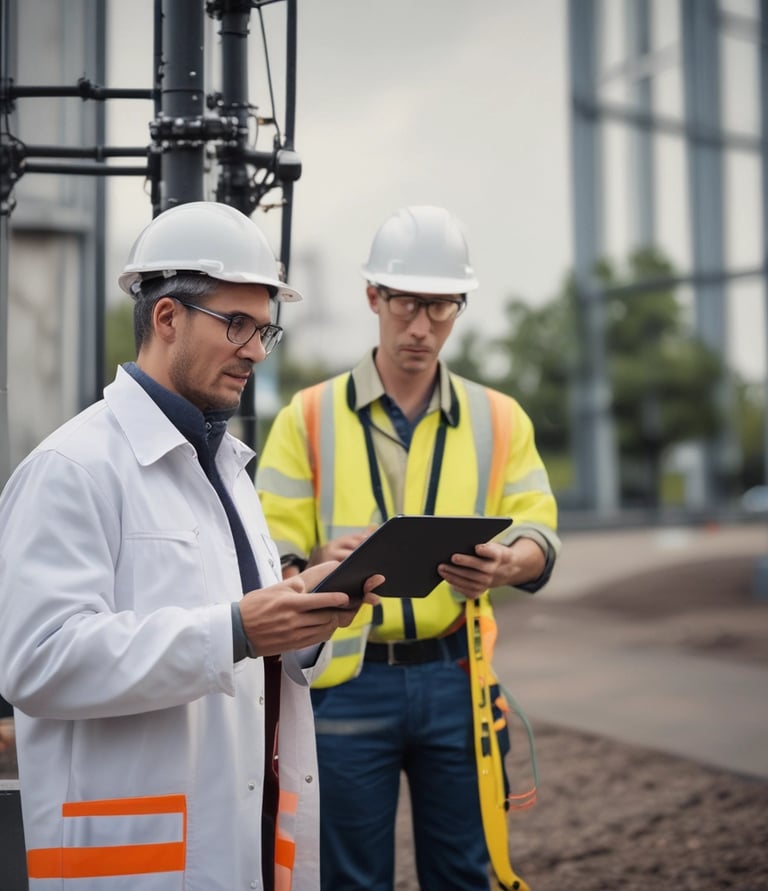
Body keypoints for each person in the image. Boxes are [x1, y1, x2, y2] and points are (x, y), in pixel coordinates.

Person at [0, 201, 381, 891]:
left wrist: (308, 615)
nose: (258, 350)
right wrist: (234, 629)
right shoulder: (75, 467)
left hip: (242, 850)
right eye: (236, 323)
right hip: (133, 863)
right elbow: (36, 661)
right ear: (167, 317)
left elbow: (246, 648)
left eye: (265, 328)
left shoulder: (229, 470)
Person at [256, 204, 561, 890]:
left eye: (442, 307)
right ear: (373, 297)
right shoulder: (305, 416)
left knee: (462, 873)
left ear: (459, 305)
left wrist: (508, 562)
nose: (422, 327)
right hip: (346, 679)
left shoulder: (500, 418)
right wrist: (312, 566)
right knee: (350, 878)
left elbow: (540, 528)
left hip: (457, 676)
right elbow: (267, 545)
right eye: (405, 304)